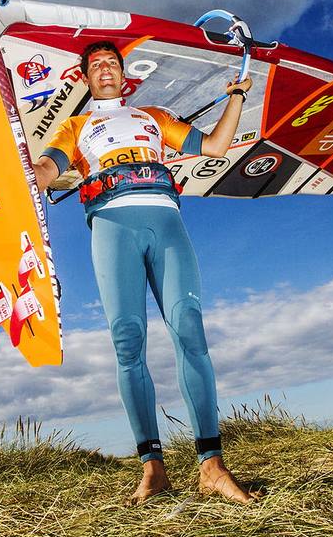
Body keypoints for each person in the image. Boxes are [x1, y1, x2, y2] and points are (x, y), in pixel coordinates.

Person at [32, 40, 256, 504]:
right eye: (95, 66)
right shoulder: (76, 125)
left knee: (190, 330)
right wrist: (19, 173)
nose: (105, 70)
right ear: (86, 78)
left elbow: (214, 145)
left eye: (111, 63)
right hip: (112, 226)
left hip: (166, 223)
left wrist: (236, 97)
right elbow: (47, 170)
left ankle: (211, 466)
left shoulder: (153, 116)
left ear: (123, 73)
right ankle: (153, 468)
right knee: (128, 342)